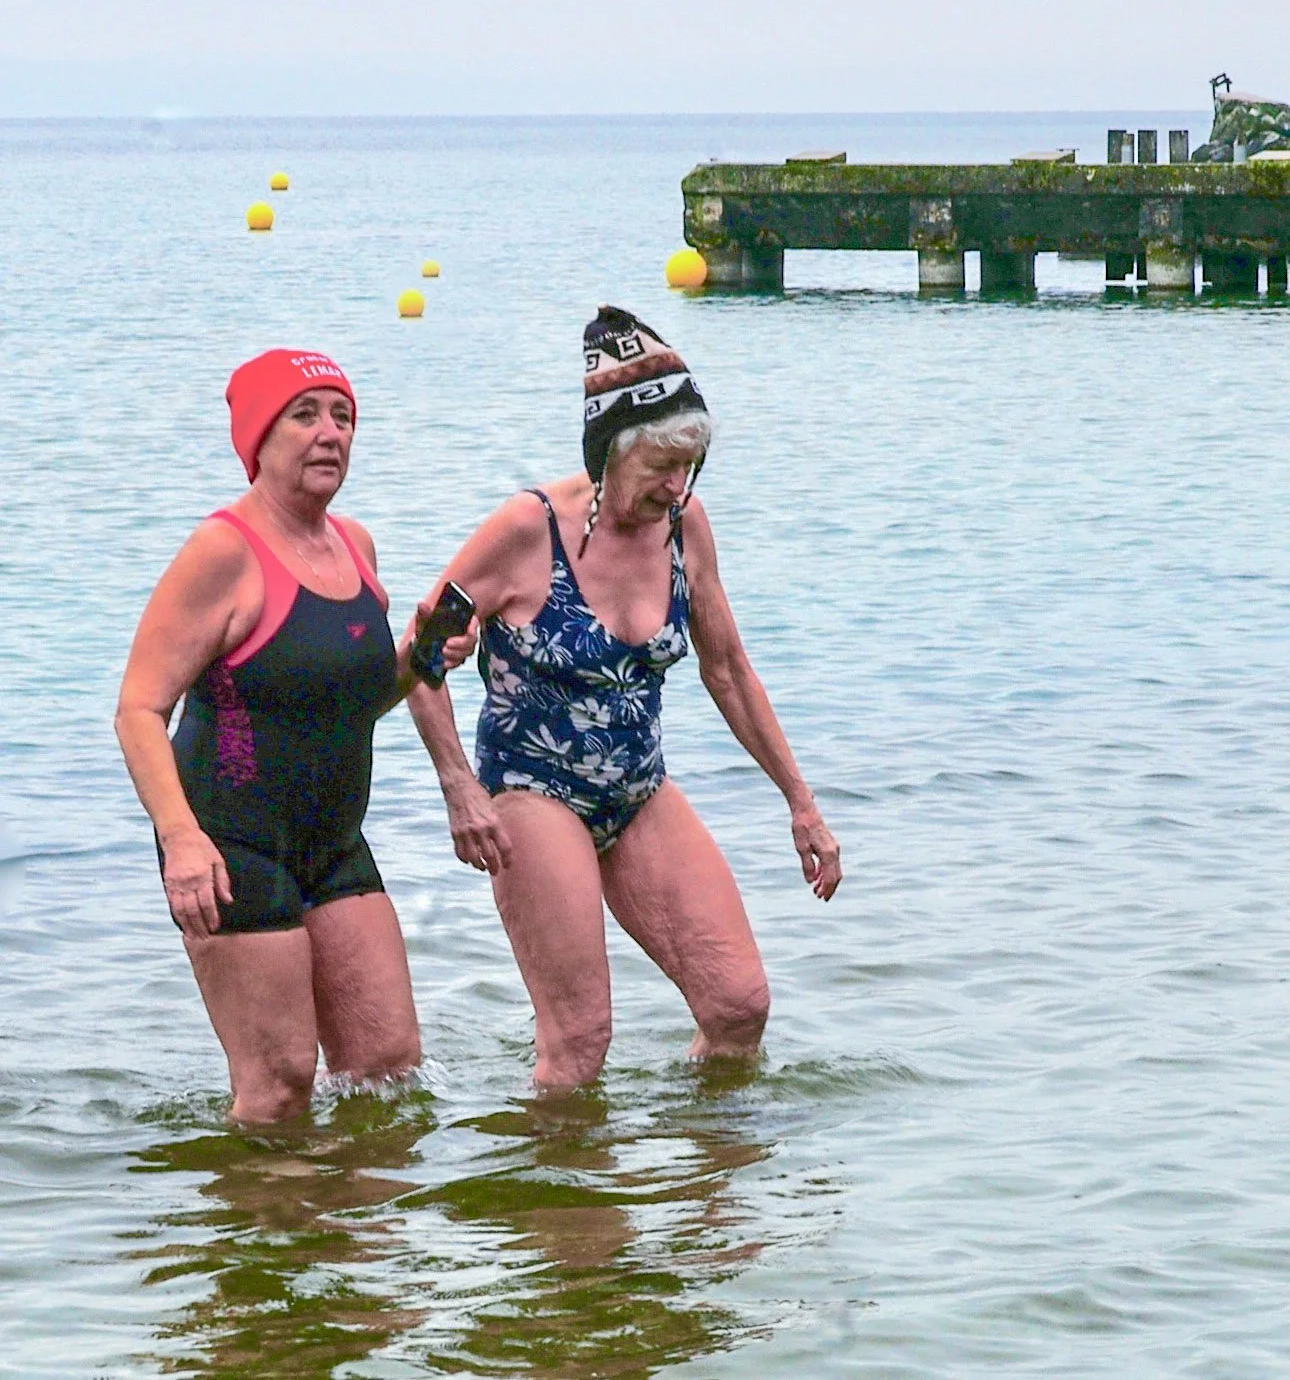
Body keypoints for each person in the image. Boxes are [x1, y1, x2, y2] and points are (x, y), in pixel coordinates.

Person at [408, 306, 842, 1090]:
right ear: (608, 453)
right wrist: (458, 790)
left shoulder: (685, 526)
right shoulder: (523, 529)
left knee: (738, 1005)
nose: (676, 486)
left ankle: (706, 1195)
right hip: (530, 792)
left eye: (691, 465)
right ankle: (564, 1205)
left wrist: (800, 801)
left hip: (637, 789)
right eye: (660, 467)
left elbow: (730, 670)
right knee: (580, 1039)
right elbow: (418, 654)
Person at [115, 349, 469, 1123]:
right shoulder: (223, 552)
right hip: (229, 844)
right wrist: (180, 840)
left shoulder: (356, 546)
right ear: (259, 438)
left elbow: (346, 704)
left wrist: (417, 659)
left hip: (333, 839)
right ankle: (258, 1239)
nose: (329, 434)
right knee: (277, 1087)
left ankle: (347, 1237)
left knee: (386, 1068)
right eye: (305, 415)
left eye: (342, 418)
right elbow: (140, 710)